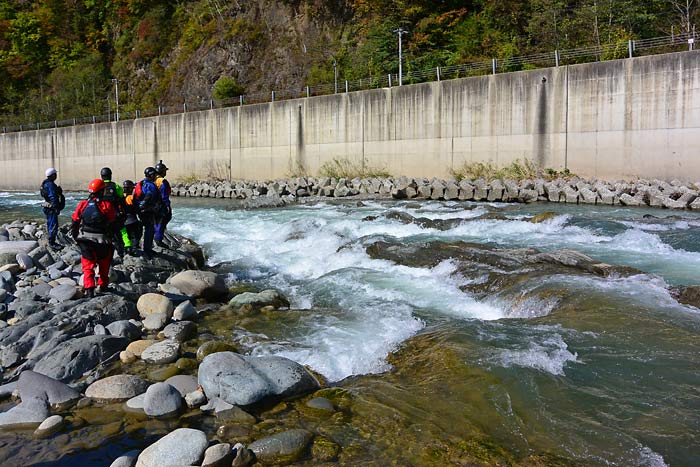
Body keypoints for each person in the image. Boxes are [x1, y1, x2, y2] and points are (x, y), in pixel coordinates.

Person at [71, 179, 117, 298]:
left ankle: (89, 289)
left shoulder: (83, 204)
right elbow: (113, 222)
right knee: (104, 263)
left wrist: (75, 236)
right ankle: (102, 285)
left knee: (88, 265)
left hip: (85, 239)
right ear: (102, 191)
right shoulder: (107, 205)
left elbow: (75, 221)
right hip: (102, 240)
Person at [99, 167, 130, 256]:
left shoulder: (99, 186)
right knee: (119, 233)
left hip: (102, 215)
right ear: (110, 176)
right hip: (114, 214)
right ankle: (122, 251)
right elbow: (122, 200)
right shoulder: (116, 186)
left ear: (102, 176)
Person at [136, 167, 161, 260]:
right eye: (154, 175)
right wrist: (148, 206)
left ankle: (145, 248)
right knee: (149, 229)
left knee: (146, 229)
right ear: (151, 175)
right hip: (147, 210)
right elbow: (149, 195)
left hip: (143, 210)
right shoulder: (150, 185)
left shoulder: (143, 183)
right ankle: (147, 249)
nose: (155, 176)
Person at [40, 167, 66, 251]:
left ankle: (51, 240)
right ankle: (52, 243)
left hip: (47, 207)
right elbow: (53, 197)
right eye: (55, 174)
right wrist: (56, 208)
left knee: (50, 224)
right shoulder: (50, 185)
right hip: (51, 208)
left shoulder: (45, 183)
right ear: (53, 175)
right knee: (53, 225)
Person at [154, 160, 172, 249]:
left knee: (156, 221)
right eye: (165, 170)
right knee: (162, 221)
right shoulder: (162, 181)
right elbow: (164, 195)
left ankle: (157, 235)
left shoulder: (152, 180)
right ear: (162, 171)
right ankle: (158, 239)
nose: (166, 172)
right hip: (160, 205)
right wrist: (167, 206)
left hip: (153, 205)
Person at [122, 180, 143, 255]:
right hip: (132, 220)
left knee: (126, 237)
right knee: (135, 236)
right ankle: (133, 249)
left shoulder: (120, 197)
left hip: (123, 221)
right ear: (130, 189)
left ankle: (126, 249)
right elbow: (137, 208)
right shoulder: (131, 198)